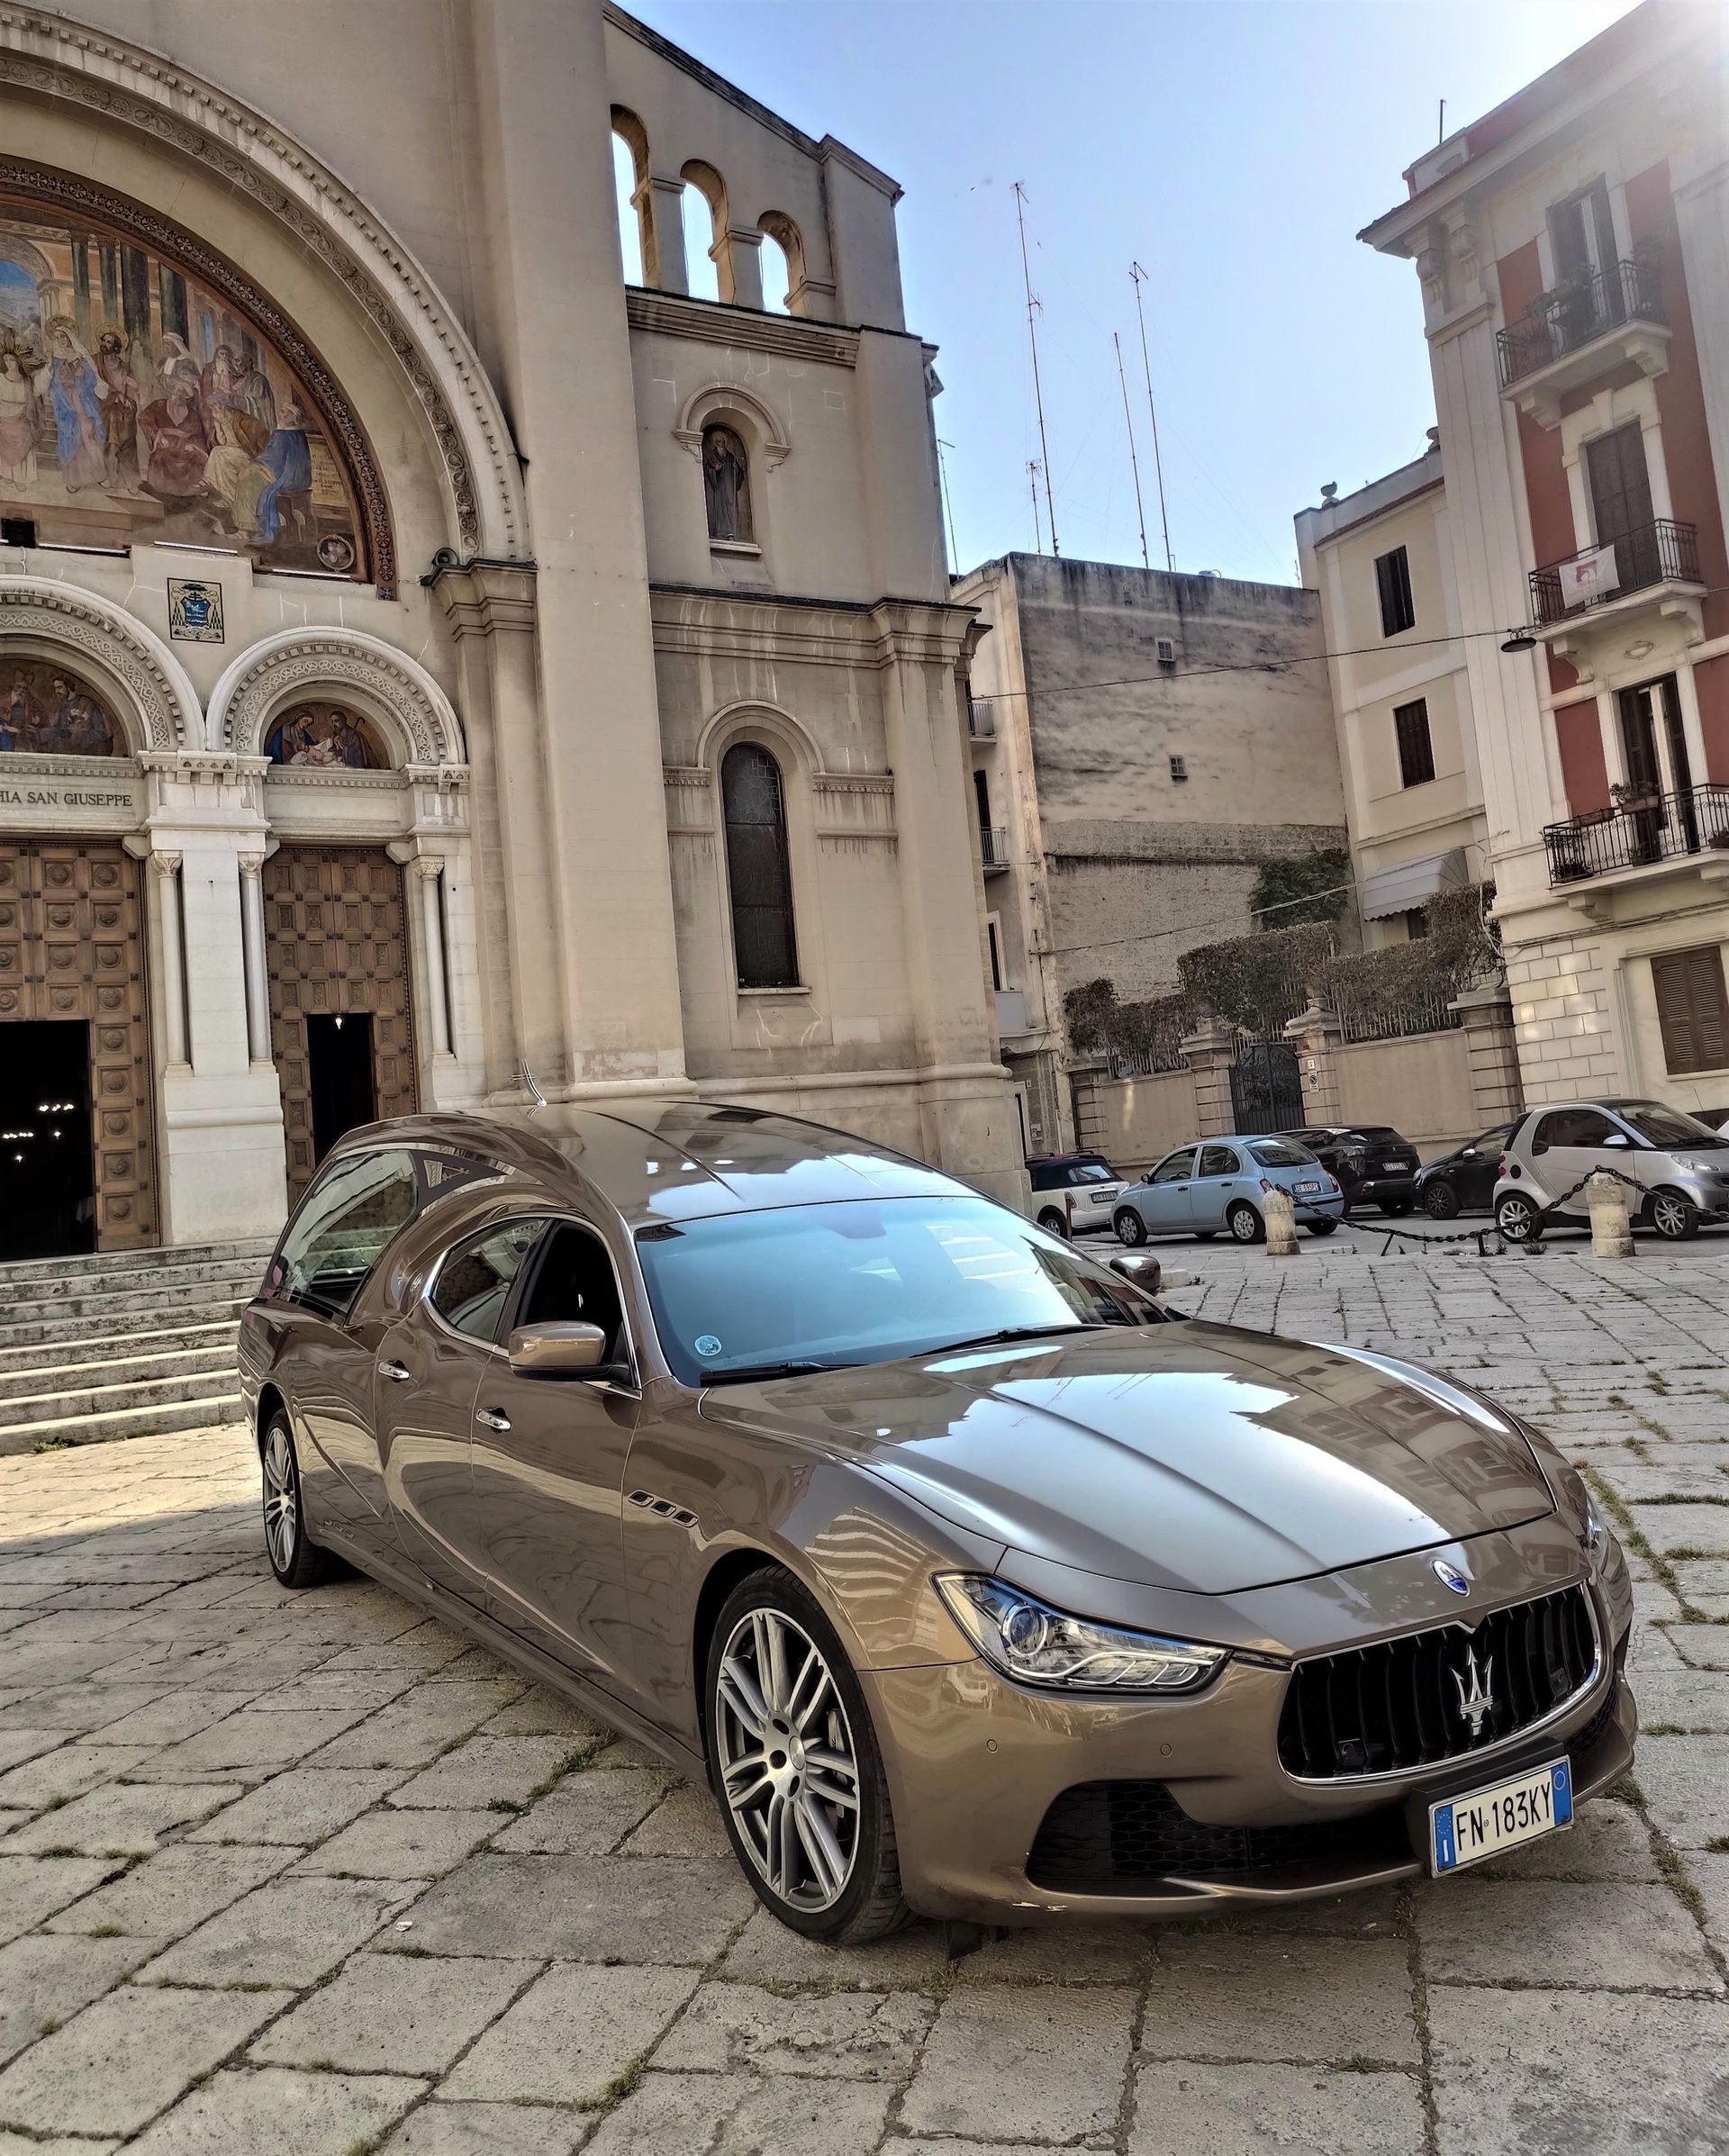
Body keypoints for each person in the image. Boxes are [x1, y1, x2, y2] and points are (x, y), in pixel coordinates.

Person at [46, 322, 106, 493]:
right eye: (57, 338)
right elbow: (53, 383)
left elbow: (93, 381)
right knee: (71, 438)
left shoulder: (80, 356)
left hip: (83, 402)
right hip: (65, 404)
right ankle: (74, 479)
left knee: (89, 435)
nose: (61, 340)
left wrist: (82, 376)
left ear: (69, 337)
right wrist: (61, 384)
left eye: (63, 336)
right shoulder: (55, 358)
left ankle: (99, 474)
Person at [252, 396, 313, 545]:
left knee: (265, 490)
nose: (282, 415)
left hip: (289, 478)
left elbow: (274, 458)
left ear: (293, 417)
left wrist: (256, 462)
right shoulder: (299, 433)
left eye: (286, 413)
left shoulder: (282, 434)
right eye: (282, 412)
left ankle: (270, 531)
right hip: (303, 478)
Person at [139, 380, 209, 511]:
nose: (177, 397)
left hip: (184, 448)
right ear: (170, 393)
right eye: (175, 393)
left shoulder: (192, 414)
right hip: (166, 446)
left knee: (195, 458)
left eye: (181, 394)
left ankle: (188, 490)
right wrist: (157, 435)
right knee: (160, 456)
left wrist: (192, 445)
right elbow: (144, 417)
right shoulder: (159, 405)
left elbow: (198, 435)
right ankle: (164, 489)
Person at [0, 347, 36, 489]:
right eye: (6, 360)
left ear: (18, 362)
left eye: (12, 360)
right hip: (3, 416)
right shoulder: (0, 378)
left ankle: (20, 478)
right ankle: (7, 474)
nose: (9, 363)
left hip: (21, 417)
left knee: (22, 444)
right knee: (3, 446)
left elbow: (33, 398)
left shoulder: (27, 381)